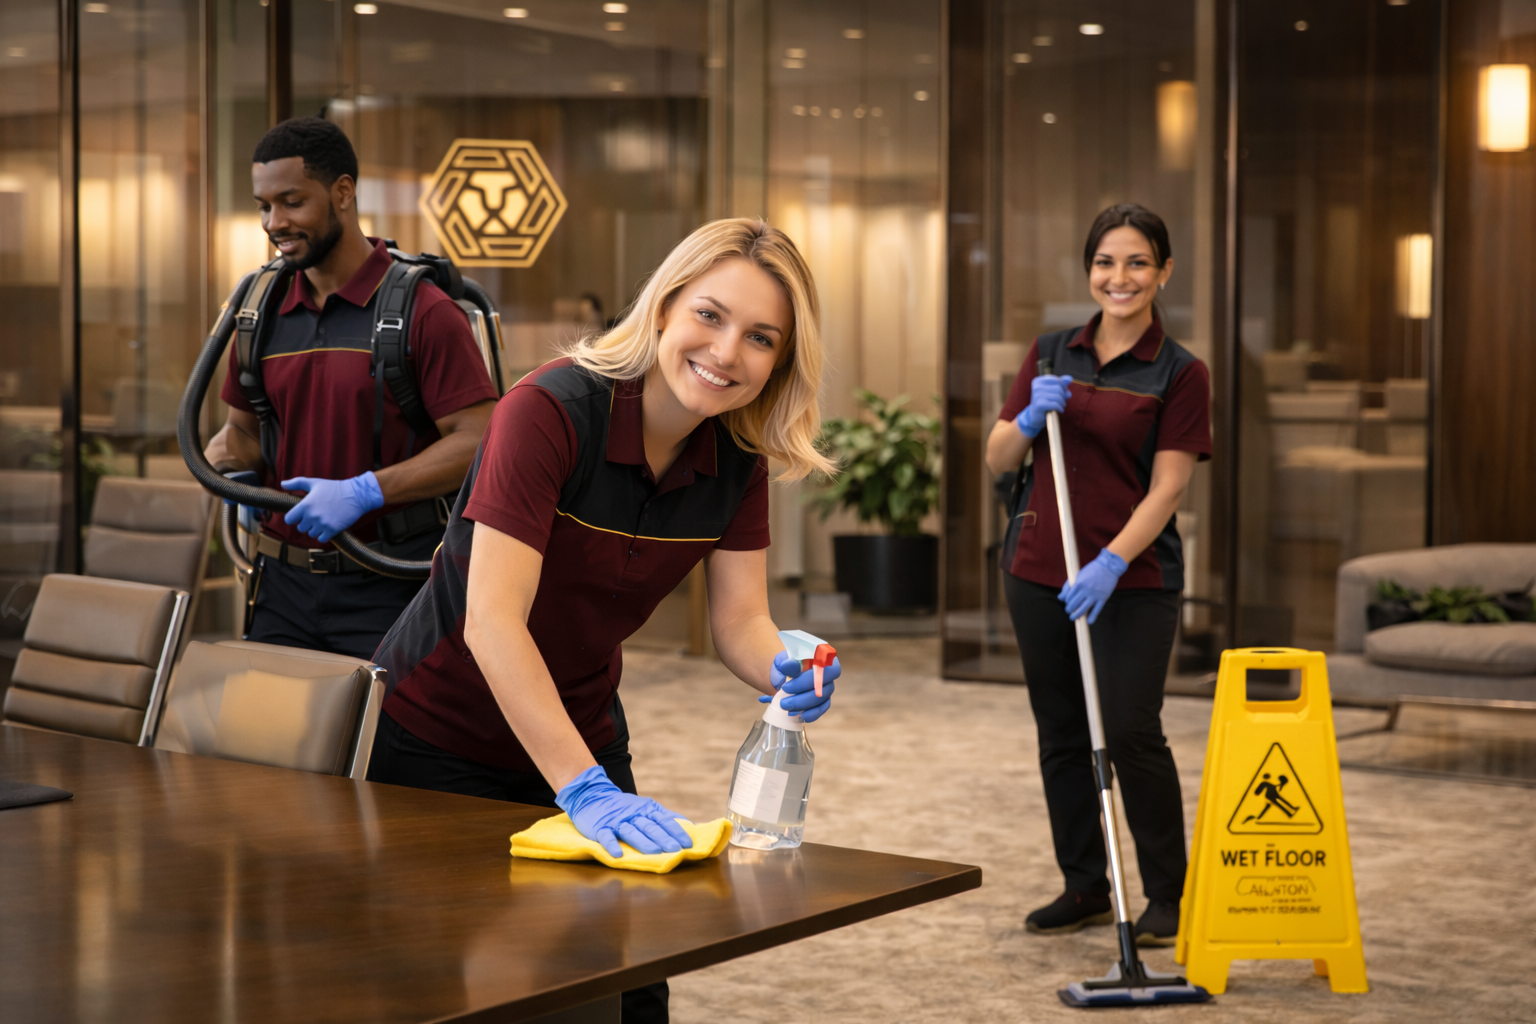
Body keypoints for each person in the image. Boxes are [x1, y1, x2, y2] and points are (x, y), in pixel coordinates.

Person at [365, 218, 842, 1024]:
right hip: (437, 733)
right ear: (663, 308)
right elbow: (492, 623)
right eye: (710, 315)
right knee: (455, 977)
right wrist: (581, 788)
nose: (727, 353)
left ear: (781, 362)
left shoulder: (737, 461)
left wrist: (786, 666)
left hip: (581, 724)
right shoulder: (549, 410)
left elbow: (741, 622)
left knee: (626, 978)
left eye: (761, 338)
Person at [985, 203, 1211, 947]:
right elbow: (994, 460)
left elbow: (1169, 488)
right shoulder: (1050, 353)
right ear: (1090, 271)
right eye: (1107, 262)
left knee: (1130, 729)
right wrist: (1021, 423)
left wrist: (1114, 559)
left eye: (1138, 262)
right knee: (1061, 731)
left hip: (1133, 579)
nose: (1121, 277)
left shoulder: (1180, 372)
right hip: (1038, 567)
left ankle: (1170, 897)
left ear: (1163, 272)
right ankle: (1084, 884)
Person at [205, 117, 499, 659]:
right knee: (271, 739)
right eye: (263, 206)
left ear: (343, 193)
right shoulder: (258, 312)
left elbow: (480, 438)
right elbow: (241, 431)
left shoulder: (424, 312)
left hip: (389, 584)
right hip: (281, 587)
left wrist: (366, 490)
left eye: (292, 202)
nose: (274, 222)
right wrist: (230, 467)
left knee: (381, 744)